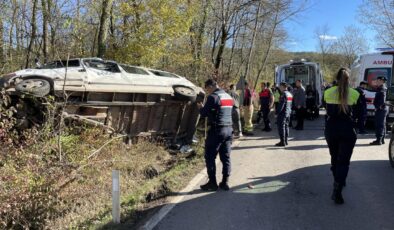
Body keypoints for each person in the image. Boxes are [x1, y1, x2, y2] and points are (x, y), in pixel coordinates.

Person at [324, 68, 359, 204]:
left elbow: (325, 108)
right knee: (344, 161)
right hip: (348, 130)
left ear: (337, 78)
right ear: (348, 79)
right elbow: (360, 114)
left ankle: (337, 180)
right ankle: (338, 186)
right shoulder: (356, 94)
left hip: (331, 129)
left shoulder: (327, 92)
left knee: (334, 157)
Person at [198, 79, 233, 191]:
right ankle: (225, 182)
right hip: (229, 129)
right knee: (226, 157)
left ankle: (212, 183)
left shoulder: (213, 97)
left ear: (211, 86)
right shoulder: (228, 96)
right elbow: (221, 111)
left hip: (217, 130)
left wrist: (200, 108)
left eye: (207, 88)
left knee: (210, 156)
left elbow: (204, 113)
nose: (207, 91)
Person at [370, 76, 388, 145]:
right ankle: (382, 139)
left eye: (377, 80)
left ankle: (379, 140)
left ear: (381, 81)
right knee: (382, 124)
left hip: (381, 109)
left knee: (379, 124)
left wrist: (378, 107)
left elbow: (382, 100)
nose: (376, 81)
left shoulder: (382, 88)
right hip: (382, 109)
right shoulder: (382, 88)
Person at [275, 82, 293, 147]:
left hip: (283, 113)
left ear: (283, 87)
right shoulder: (290, 94)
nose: (279, 88)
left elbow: (281, 105)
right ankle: (286, 141)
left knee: (281, 127)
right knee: (286, 126)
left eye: (280, 86)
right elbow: (291, 104)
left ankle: (282, 142)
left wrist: (277, 113)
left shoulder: (283, 94)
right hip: (288, 113)